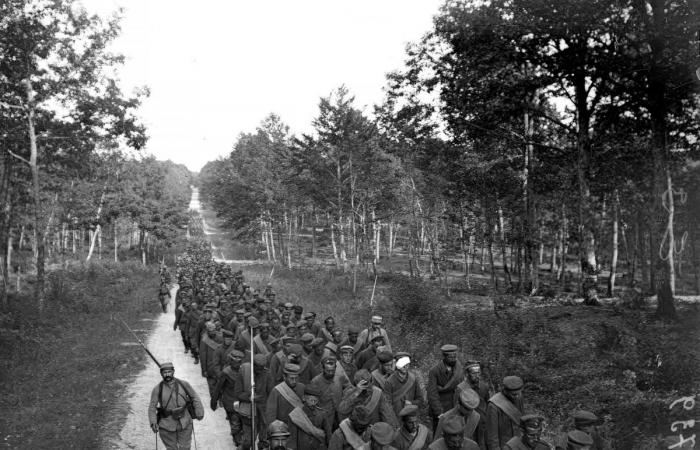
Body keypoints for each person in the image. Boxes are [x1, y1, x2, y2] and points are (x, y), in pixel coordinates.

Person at [148, 362, 204, 450]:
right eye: (164, 373)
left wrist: (199, 412)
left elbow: (194, 397)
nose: (167, 375)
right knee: (171, 448)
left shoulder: (184, 384)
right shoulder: (157, 389)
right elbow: (152, 407)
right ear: (161, 374)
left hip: (184, 422)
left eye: (169, 372)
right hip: (166, 425)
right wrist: (153, 422)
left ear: (173, 372)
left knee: (185, 447)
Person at [233, 354, 274, 450]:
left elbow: (271, 394)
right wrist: (250, 397)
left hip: (263, 413)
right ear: (253, 365)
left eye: (262, 368)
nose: (260, 370)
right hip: (248, 412)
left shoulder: (267, 374)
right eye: (258, 368)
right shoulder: (243, 371)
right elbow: (237, 393)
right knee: (248, 441)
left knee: (264, 442)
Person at [210, 350, 245, 446]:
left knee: (242, 423)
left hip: (243, 402)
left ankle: (238, 437)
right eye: (235, 361)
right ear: (231, 361)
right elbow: (218, 388)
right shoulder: (226, 372)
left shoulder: (244, 371)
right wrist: (214, 401)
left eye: (239, 362)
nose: (237, 364)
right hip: (230, 402)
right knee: (235, 424)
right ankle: (238, 442)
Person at [427, 345, 464, 430]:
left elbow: (462, 388)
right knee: (439, 433)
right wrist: (439, 412)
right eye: (450, 357)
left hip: (455, 408)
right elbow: (432, 394)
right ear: (444, 357)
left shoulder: (459, 368)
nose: (453, 359)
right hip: (441, 409)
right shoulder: (434, 371)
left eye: (455, 356)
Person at [310, 355, 351, 428]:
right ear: (323, 369)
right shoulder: (315, 381)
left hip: (340, 414)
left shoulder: (340, 376)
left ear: (335, 368)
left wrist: (344, 398)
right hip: (325, 417)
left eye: (333, 371)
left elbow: (349, 388)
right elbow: (312, 401)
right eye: (328, 371)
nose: (330, 373)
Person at [288, 384, 333, 450]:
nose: (313, 403)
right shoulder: (296, 415)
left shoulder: (322, 414)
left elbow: (328, 435)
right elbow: (293, 439)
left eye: (316, 401)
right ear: (304, 398)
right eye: (311, 400)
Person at [486, 376, 525, 450]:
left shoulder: (519, 397)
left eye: (518, 393)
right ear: (505, 391)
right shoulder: (493, 405)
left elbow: (521, 420)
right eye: (513, 395)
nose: (516, 396)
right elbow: (492, 437)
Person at [266, 363, 306, 430]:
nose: (294, 381)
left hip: (300, 428)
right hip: (283, 429)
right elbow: (271, 416)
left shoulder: (302, 388)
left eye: (296, 378)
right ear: (284, 377)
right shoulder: (276, 391)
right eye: (291, 378)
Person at [199, 321, 222, 397]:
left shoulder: (221, 338)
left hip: (219, 365)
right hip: (210, 367)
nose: (212, 333)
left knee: (220, 383)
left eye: (213, 331)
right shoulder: (204, 340)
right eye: (210, 331)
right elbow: (203, 356)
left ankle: (220, 398)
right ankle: (214, 398)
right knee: (211, 385)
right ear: (207, 331)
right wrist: (204, 370)